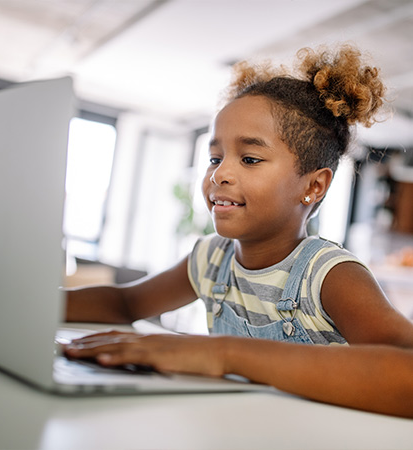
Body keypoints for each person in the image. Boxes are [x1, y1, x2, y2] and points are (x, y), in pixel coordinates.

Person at [64, 43, 413, 418]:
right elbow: (125, 304)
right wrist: (22, 305)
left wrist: (224, 353)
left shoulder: (328, 274)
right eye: (215, 158)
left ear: (313, 186)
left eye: (249, 159)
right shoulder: (212, 259)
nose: (219, 174)